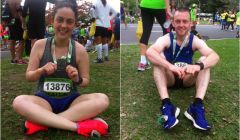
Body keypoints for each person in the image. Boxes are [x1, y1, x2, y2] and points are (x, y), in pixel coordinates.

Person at [12, 2, 109, 137]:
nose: (64, 26)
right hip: (44, 100)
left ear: (74, 24)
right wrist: (41, 71)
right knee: (19, 101)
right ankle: (77, 126)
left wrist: (77, 78)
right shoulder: (40, 45)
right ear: (53, 20)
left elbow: (85, 81)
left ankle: (43, 121)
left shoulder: (80, 50)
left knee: (102, 99)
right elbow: (29, 76)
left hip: (72, 101)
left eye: (69, 22)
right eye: (60, 20)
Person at [146, 7, 220, 130]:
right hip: (169, 78)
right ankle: (167, 106)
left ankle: (196, 106)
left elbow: (215, 56)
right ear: (173, 23)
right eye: (178, 21)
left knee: (204, 61)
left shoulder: (195, 40)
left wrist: (197, 66)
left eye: (185, 21)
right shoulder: (166, 38)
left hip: (187, 78)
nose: (181, 25)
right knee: (157, 59)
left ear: (190, 24)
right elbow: (149, 52)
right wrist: (170, 66)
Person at [137, 0, 171, 71]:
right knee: (167, 31)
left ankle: (142, 63)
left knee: (146, 32)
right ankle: (165, 57)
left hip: (145, 5)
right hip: (159, 6)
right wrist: (168, 9)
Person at [6, 0, 27, 64]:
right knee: (21, 40)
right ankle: (19, 59)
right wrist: (23, 23)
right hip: (17, 21)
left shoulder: (8, 1)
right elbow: (20, 14)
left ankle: (13, 59)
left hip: (10, 21)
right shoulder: (16, 1)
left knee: (12, 40)